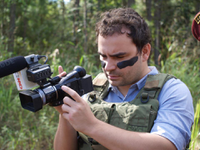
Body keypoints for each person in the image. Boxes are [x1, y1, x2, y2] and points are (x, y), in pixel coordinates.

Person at [54, 8, 194, 150]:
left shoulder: (171, 91)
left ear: (144, 52)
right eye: (103, 56)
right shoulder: (92, 91)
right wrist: (65, 115)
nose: (108, 67)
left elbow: (166, 146)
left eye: (119, 57)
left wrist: (92, 126)